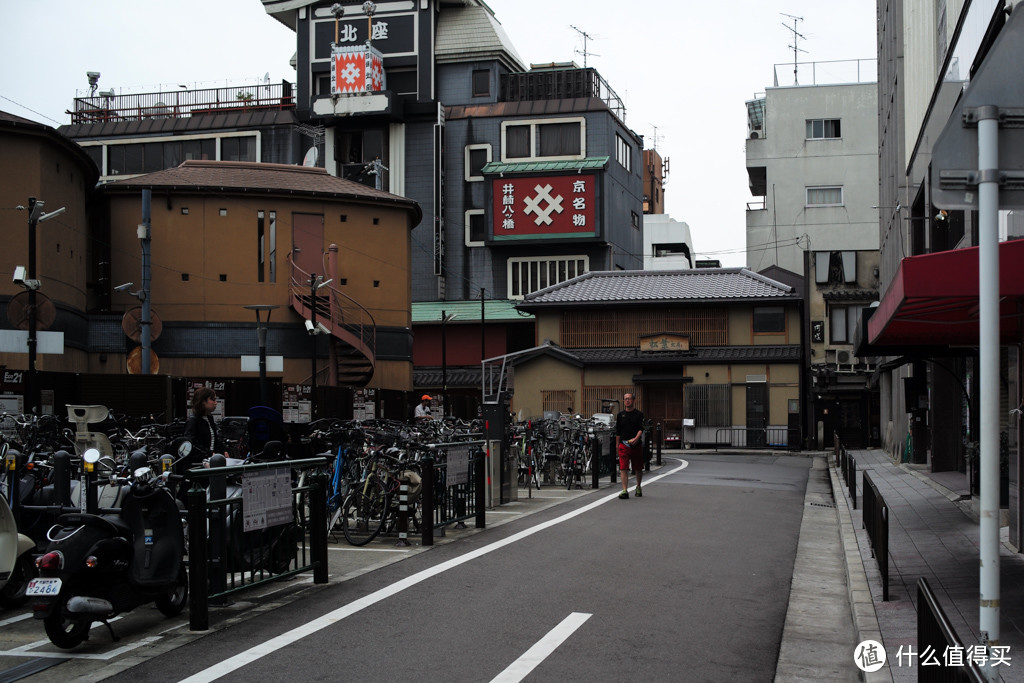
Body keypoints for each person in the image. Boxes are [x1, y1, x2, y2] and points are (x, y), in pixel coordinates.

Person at [184, 387, 228, 461]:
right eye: (213, 400)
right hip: (197, 462)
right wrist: (209, 453)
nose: (215, 403)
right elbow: (191, 443)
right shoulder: (193, 421)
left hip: (210, 459)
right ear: (203, 401)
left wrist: (223, 450)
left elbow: (215, 440)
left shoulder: (209, 419)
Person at [615, 392, 645, 499]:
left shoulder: (639, 414)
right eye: (625, 399)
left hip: (636, 444)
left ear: (634, 400)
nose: (627, 401)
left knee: (638, 467)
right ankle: (624, 490)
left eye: (629, 399)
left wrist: (636, 438)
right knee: (623, 468)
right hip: (624, 444)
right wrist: (617, 445)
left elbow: (641, 429)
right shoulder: (620, 415)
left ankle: (638, 486)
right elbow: (618, 431)